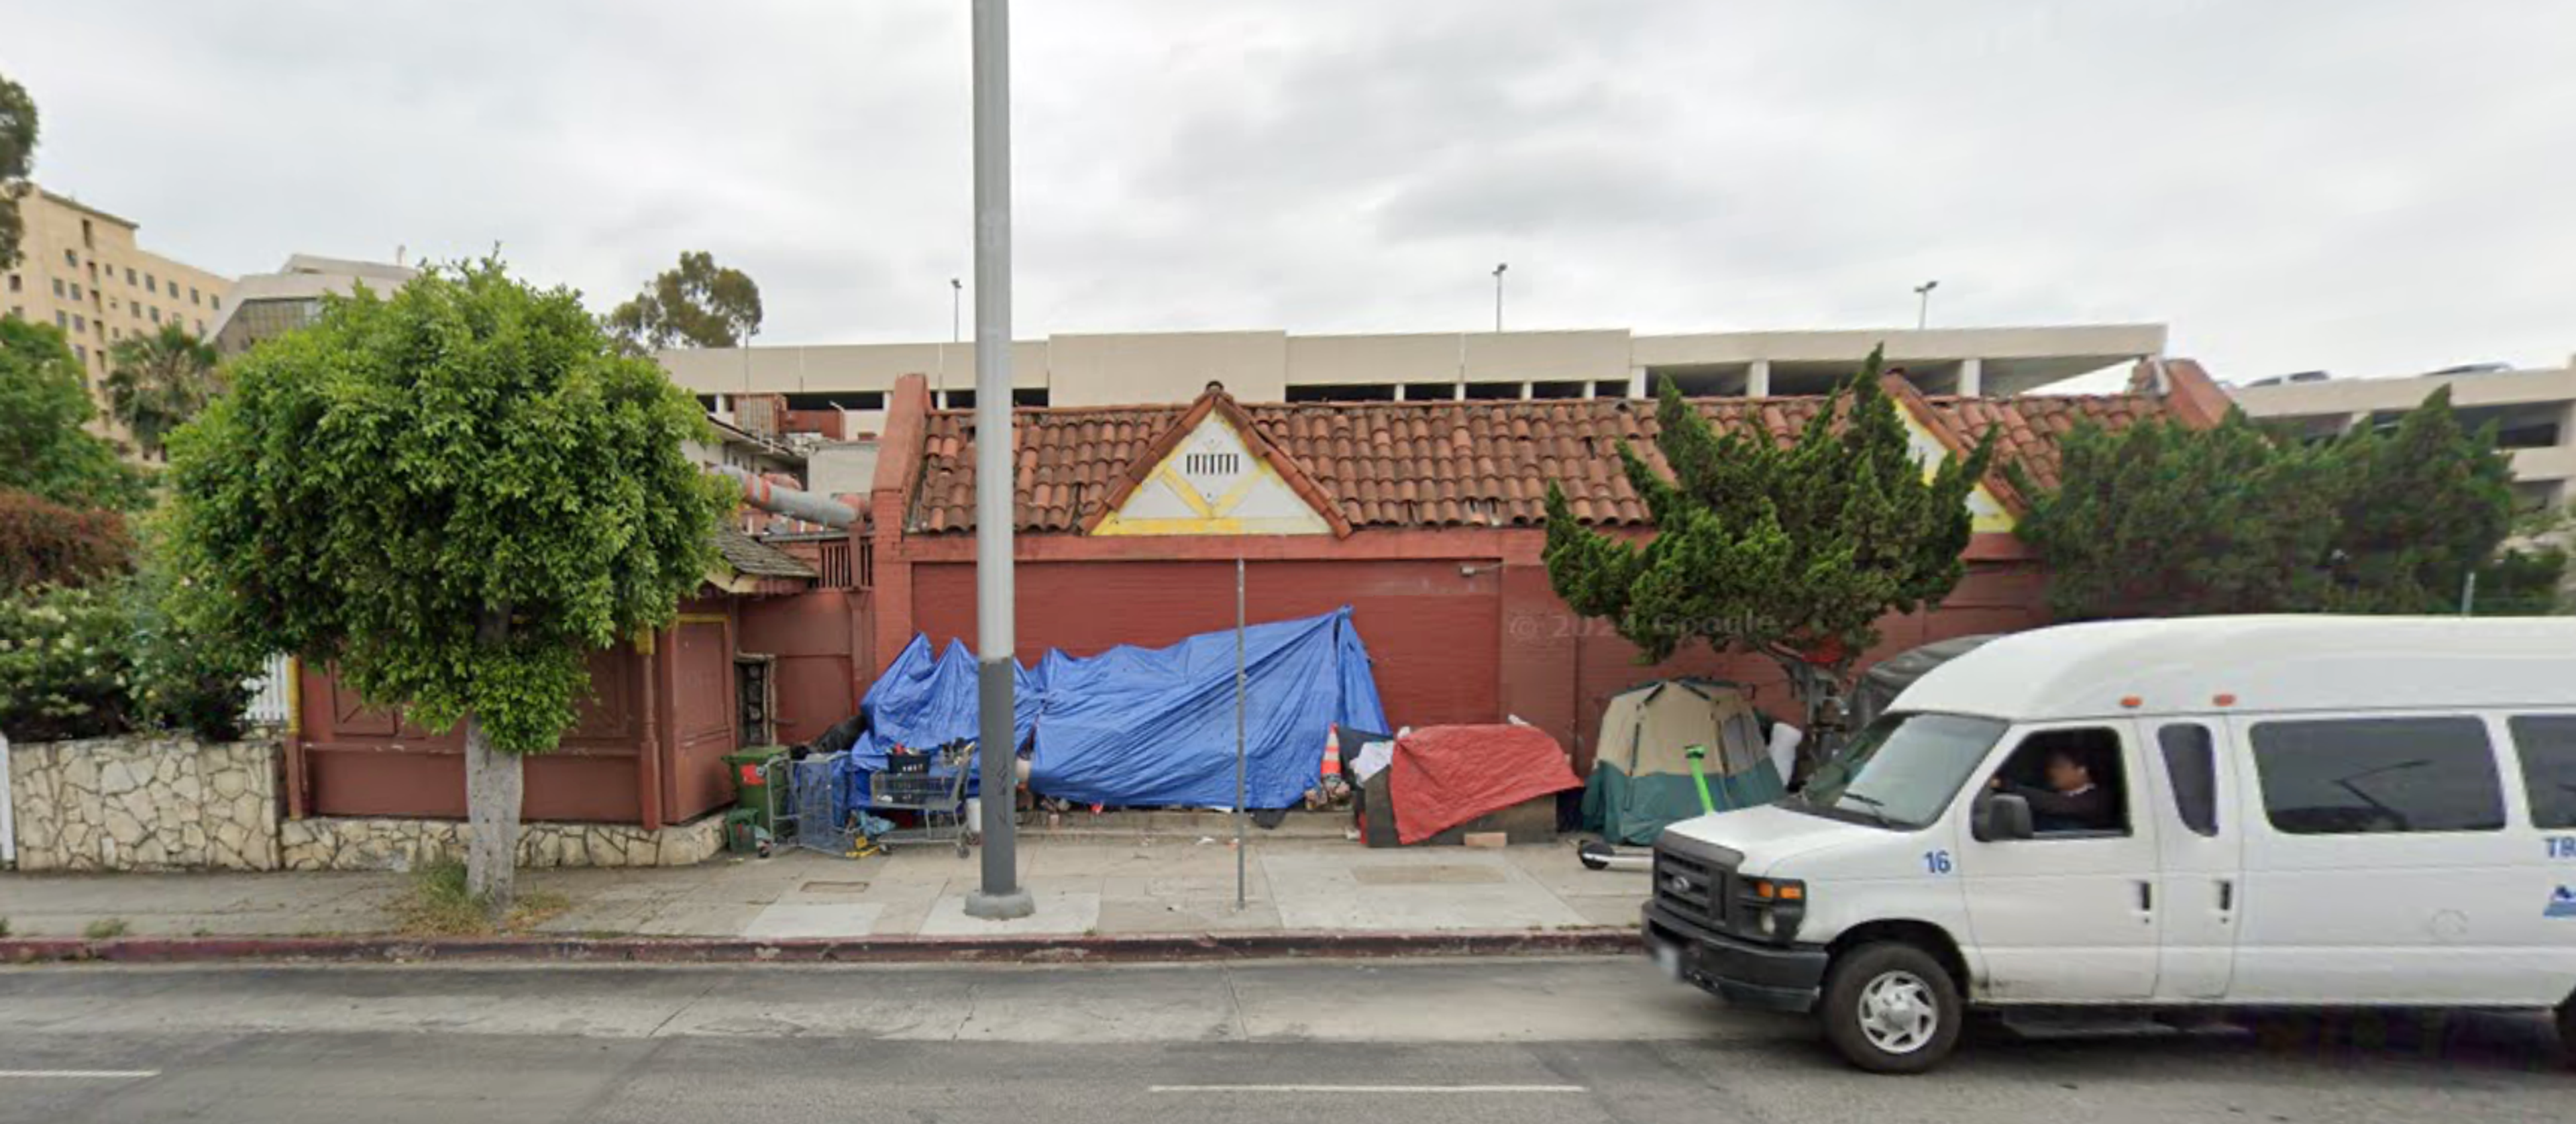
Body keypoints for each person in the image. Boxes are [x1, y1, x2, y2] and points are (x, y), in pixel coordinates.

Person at [1988, 749, 2115, 833]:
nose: (2052, 771)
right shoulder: (2047, 792)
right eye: (2051, 767)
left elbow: (2060, 805)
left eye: (2059, 767)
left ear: (2082, 770)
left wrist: (2004, 785)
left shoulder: (2099, 798)